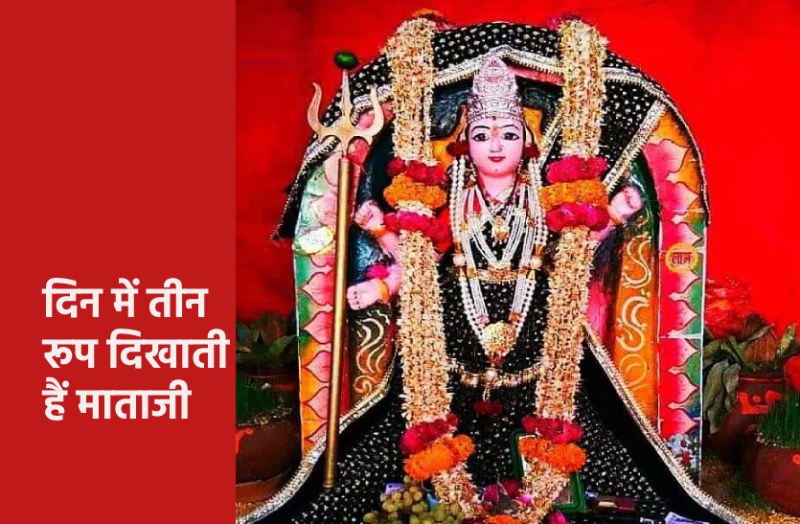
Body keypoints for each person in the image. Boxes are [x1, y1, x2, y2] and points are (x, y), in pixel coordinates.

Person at [250, 15, 739, 524]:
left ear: (527, 142)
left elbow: (569, 253)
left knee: (580, 440)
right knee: (400, 443)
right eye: (483, 135)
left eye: (509, 134)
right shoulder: (449, 201)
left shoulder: (543, 202)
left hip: (537, 350)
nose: (497, 146)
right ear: (465, 143)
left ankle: (541, 490)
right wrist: (381, 258)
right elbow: (421, 262)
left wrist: (614, 214)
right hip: (450, 351)